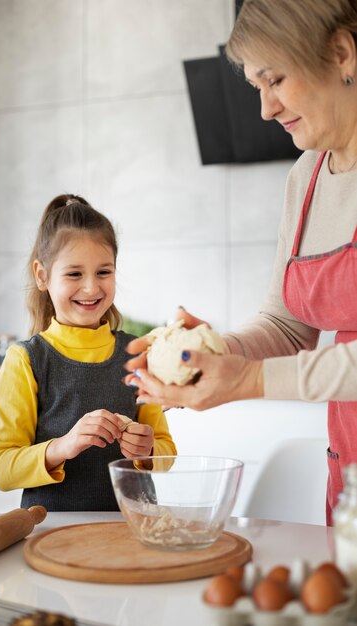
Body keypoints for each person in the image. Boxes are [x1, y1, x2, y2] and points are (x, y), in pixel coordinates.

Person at [125, 0, 357, 526]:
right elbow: (286, 323)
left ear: (342, 53)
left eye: (275, 79)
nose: (266, 109)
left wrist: (250, 379)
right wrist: (207, 354)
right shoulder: (306, 178)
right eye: (257, 87)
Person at [0, 194, 176, 511]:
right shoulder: (26, 360)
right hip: (52, 534)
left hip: (131, 529)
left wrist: (149, 451)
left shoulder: (137, 354)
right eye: (74, 274)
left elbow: (166, 451)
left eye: (104, 272)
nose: (91, 288)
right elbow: (0, 468)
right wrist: (62, 447)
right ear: (42, 275)